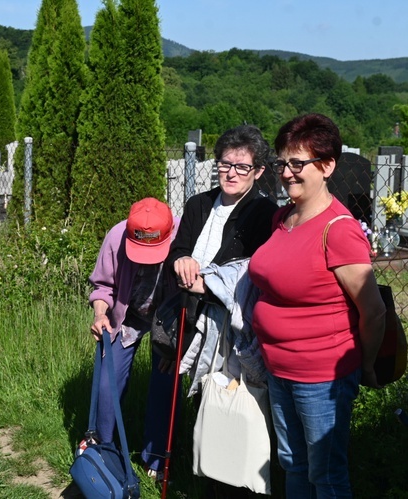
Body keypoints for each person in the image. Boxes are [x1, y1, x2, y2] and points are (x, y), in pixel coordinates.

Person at [249, 113, 385, 497]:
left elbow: (372, 310)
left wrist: (368, 365)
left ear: (326, 166)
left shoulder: (338, 230)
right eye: (282, 163)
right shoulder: (283, 218)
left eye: (298, 163)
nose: (287, 173)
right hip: (279, 368)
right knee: (293, 464)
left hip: (322, 377)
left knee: (325, 474)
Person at [164, 124, 278, 497]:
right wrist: (181, 260)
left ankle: (240, 481)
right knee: (207, 400)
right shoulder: (199, 203)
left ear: (258, 171)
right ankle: (211, 475)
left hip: (237, 328)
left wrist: (208, 281)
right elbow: (179, 249)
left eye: (241, 166)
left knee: (239, 401)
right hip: (197, 317)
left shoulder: (263, 212)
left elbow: (249, 270)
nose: (230, 172)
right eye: (224, 164)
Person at [87, 197, 176, 482]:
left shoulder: (182, 241)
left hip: (167, 320)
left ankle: (157, 458)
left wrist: (177, 346)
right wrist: (101, 314)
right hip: (127, 316)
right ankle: (104, 450)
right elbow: (103, 285)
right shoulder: (116, 236)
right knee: (106, 384)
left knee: (164, 382)